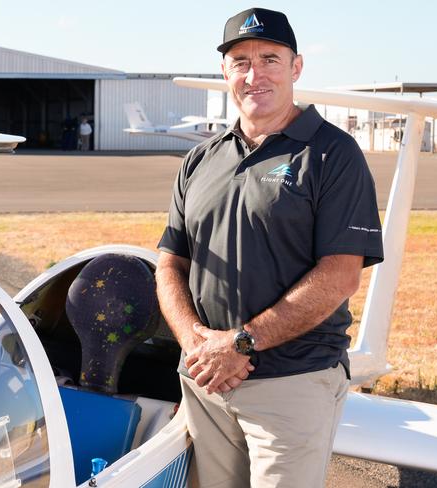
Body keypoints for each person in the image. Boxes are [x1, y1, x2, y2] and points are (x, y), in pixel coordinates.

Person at [155, 7, 384, 488]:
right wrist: (196, 343)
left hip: (291, 384)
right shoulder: (201, 159)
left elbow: (341, 274)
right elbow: (170, 262)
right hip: (206, 384)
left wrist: (240, 342)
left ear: (296, 67)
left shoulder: (332, 154)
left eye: (269, 59)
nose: (253, 74)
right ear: (225, 72)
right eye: (240, 60)